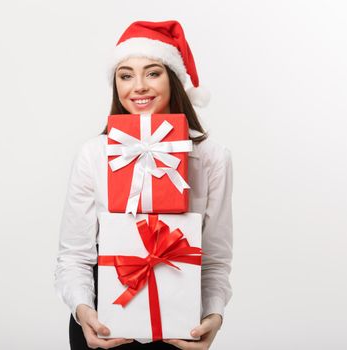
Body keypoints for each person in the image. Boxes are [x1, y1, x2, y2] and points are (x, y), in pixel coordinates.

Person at [55, 20, 233, 349]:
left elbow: (216, 257)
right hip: (104, 323)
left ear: (174, 79)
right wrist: (83, 312)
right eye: (125, 75)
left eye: (152, 73)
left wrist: (214, 315)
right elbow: (74, 256)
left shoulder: (211, 157)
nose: (138, 86)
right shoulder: (93, 154)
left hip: (179, 326)